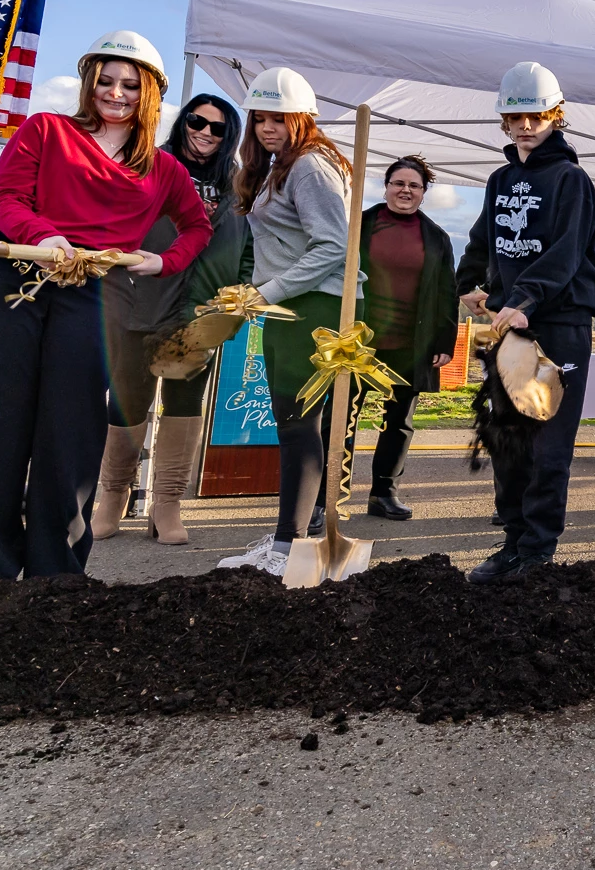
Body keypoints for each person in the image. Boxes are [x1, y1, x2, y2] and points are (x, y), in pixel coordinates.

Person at [0, 31, 211, 578]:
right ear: (88, 81)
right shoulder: (47, 130)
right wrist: (46, 238)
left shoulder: (163, 169)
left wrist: (161, 262)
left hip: (95, 288)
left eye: (129, 85)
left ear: (149, 95)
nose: (115, 93)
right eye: (105, 81)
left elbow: (197, 226)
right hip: (12, 273)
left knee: (70, 429)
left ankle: (56, 578)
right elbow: (6, 199)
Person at [455, 61, 595, 582]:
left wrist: (526, 299)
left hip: (557, 324)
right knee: (508, 439)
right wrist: (468, 283)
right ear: (503, 118)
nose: (525, 124)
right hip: (509, 322)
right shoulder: (500, 179)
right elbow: (484, 239)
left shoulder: (572, 180)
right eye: (516, 115)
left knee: (547, 443)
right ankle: (514, 542)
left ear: (555, 116)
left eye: (537, 115)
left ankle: (539, 549)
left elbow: (564, 254)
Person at [216, 67, 357, 577]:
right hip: (288, 306)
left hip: (313, 308)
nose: (267, 127)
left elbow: (335, 247)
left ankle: (288, 546)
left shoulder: (311, 167)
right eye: (260, 118)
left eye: (279, 117)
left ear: (302, 118)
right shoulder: (281, 166)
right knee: (295, 426)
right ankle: (289, 540)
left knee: (298, 426)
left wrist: (266, 291)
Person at [93, 89, 245, 545]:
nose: (205, 133)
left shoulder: (237, 185)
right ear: (184, 123)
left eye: (217, 128)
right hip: (140, 306)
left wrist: (232, 305)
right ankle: (112, 498)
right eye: (197, 122)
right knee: (126, 404)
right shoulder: (147, 166)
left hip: (200, 316)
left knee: (183, 406)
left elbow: (243, 249)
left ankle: (168, 504)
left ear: (229, 136)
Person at [357, 155, 459, 521]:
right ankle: (323, 499)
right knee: (340, 420)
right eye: (398, 183)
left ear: (423, 192)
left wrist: (444, 343)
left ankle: (383, 494)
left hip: (409, 344)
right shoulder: (359, 224)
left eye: (414, 185)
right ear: (385, 187)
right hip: (356, 343)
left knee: (398, 422)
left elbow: (447, 292)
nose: (405, 190)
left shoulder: (436, 237)